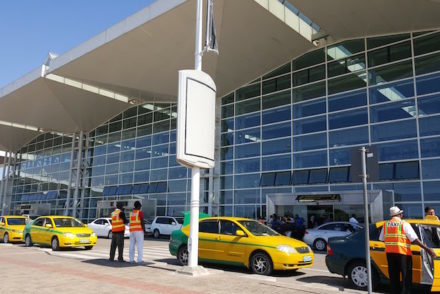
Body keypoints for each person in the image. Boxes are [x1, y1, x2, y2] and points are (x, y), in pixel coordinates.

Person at [379, 206, 436, 294]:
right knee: (406, 278)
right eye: (401, 213)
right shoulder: (403, 224)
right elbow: (414, 239)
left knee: (394, 277)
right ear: (400, 214)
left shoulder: (386, 224)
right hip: (403, 254)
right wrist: (428, 249)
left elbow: (382, 239)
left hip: (390, 254)